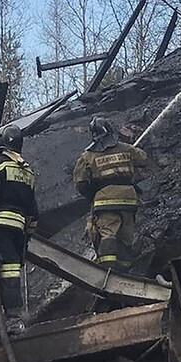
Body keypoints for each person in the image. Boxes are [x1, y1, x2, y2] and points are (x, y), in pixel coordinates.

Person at [0, 124, 39, 333]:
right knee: (11, 267)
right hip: (19, 228)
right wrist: (28, 234)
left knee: (7, 269)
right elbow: (33, 210)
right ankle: (5, 317)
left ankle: (12, 317)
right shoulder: (28, 172)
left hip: (0, 224)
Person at [73, 116, 148, 272]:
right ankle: (126, 271)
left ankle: (108, 270)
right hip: (128, 199)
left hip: (104, 200)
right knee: (126, 237)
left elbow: (80, 182)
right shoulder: (126, 148)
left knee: (108, 234)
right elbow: (143, 158)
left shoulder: (88, 156)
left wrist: (92, 194)